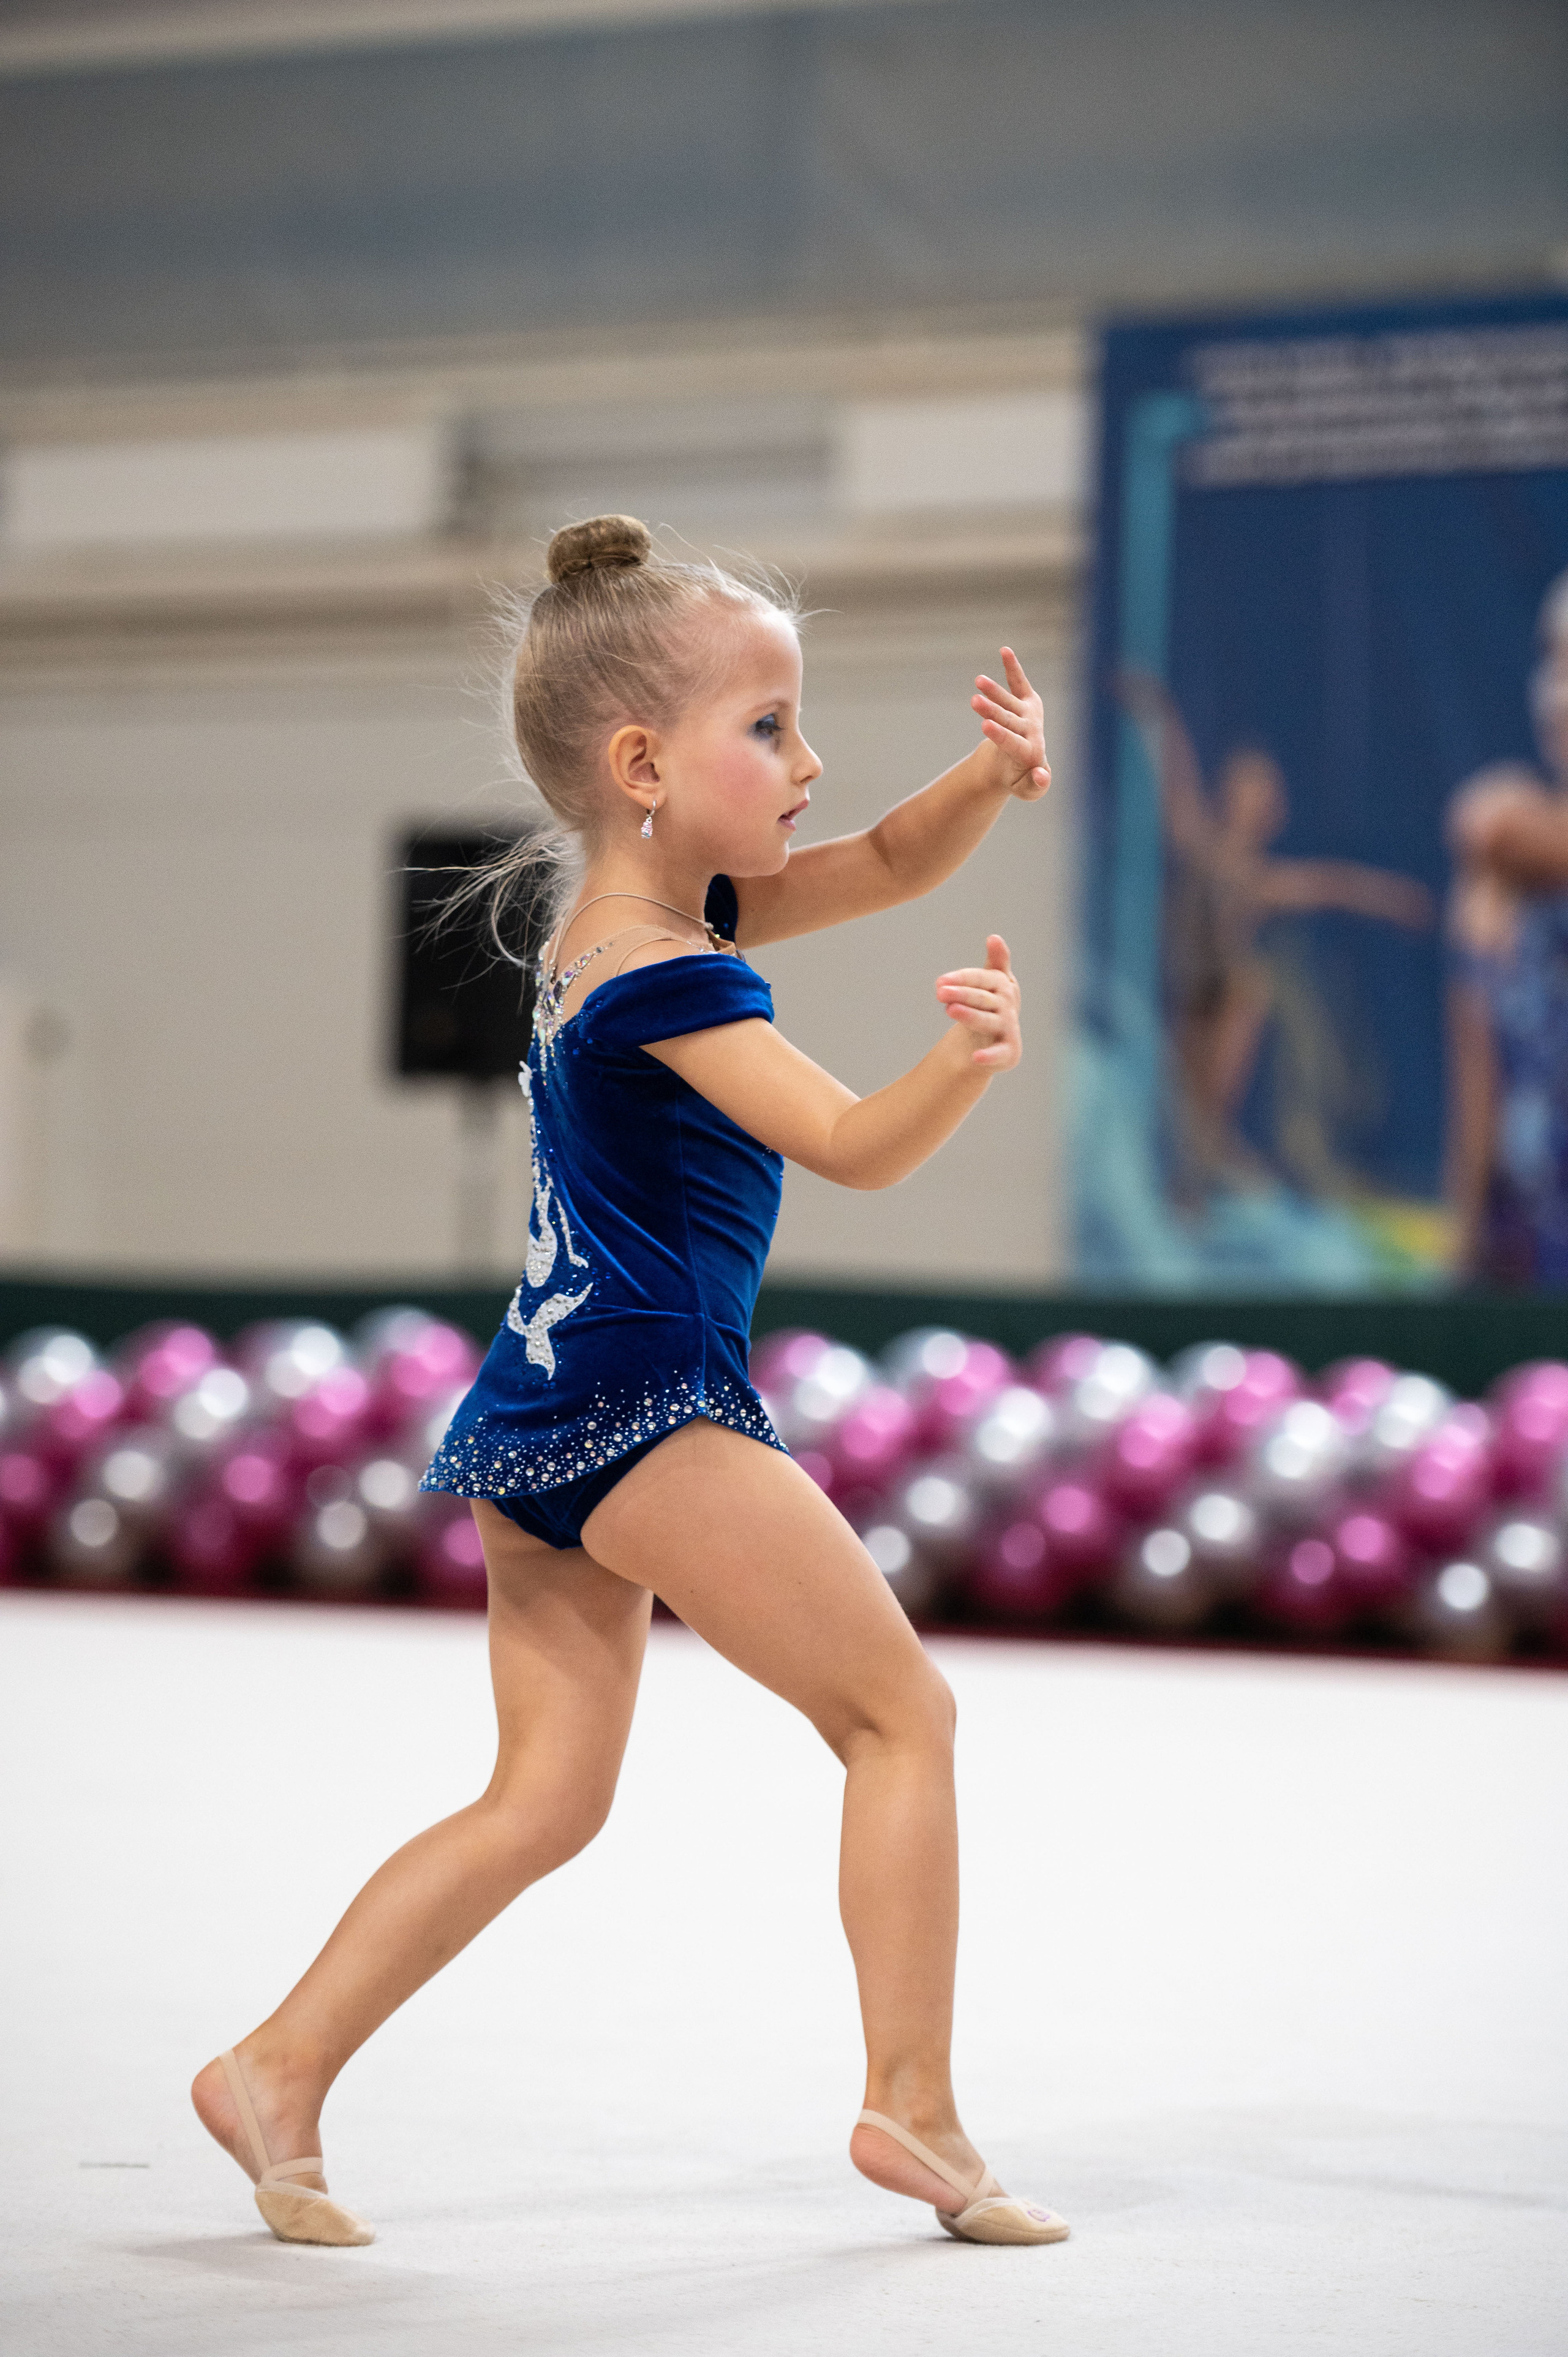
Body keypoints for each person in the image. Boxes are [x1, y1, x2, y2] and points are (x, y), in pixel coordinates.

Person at [192, 513, 1066, 2251]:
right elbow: (851, 1144)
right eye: (772, 729)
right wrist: (961, 1059)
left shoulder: (635, 912)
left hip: (534, 1405)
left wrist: (988, 780)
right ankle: (916, 2100)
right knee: (901, 1716)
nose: (810, 762)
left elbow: (887, 858)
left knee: (544, 1797)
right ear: (645, 762)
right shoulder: (662, 969)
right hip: (647, 1408)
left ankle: (275, 2064)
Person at [1117, 672, 1433, 1194]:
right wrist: (1158, 713)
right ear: (1229, 793)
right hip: (1186, 995)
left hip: (1218, 995)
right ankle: (1199, 1163)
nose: (1254, 800)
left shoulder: (1259, 882)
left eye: (1263, 792)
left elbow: (1335, 884)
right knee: (1186, 1106)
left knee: (1249, 996)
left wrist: (1393, 898)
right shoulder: (1200, 843)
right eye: (1247, 786)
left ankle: (1208, 1161)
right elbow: (1177, 781)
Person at [1446, 570, 1568, 1285]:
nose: (1559, 691)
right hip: (1531, 1263)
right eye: (1552, 660)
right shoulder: (1498, 873)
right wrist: (1460, 1267)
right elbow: (1477, 1083)